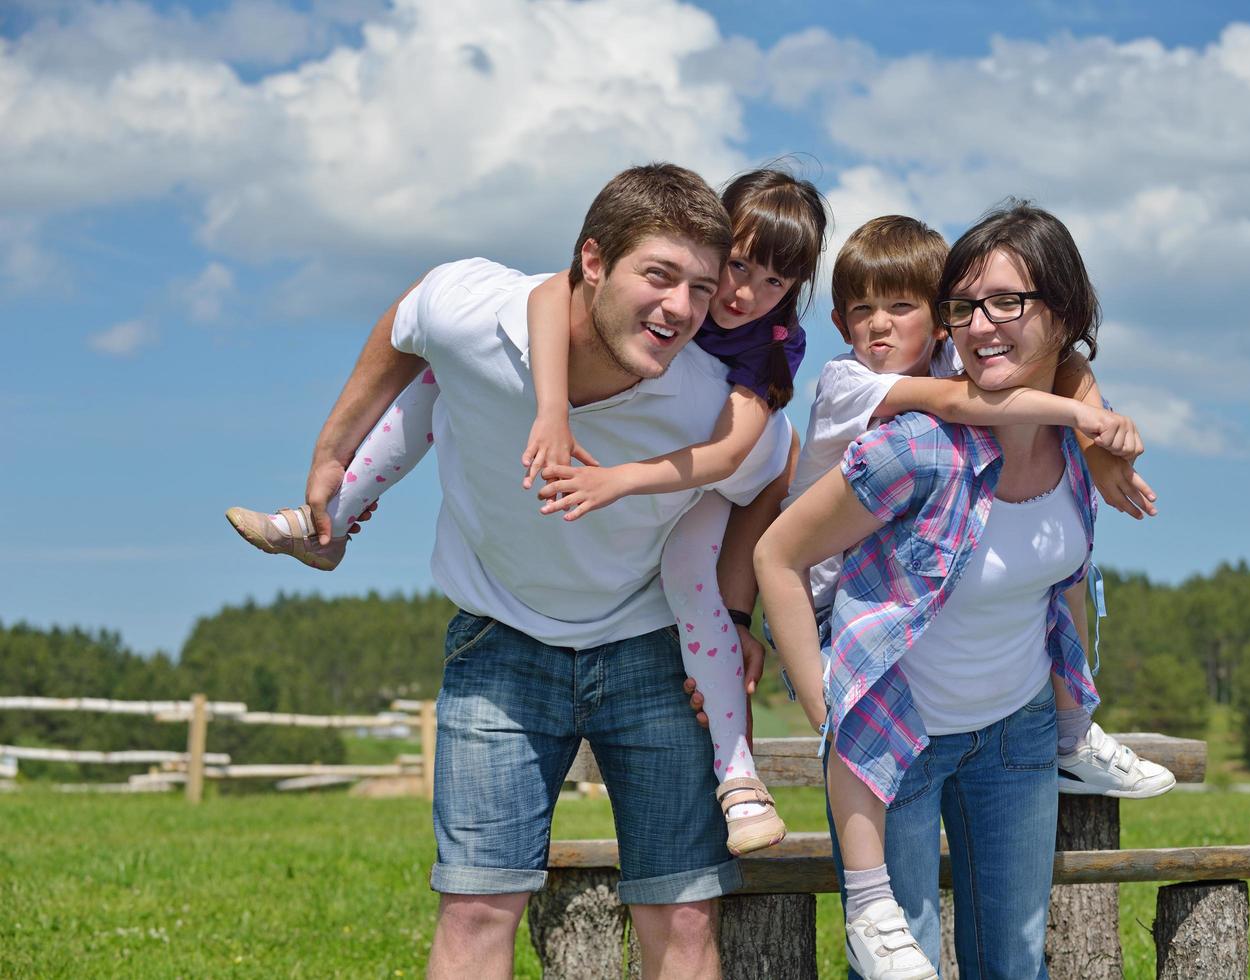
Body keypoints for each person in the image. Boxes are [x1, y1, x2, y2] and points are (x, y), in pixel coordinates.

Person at [297, 163, 791, 980]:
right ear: (593, 261)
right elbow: (408, 316)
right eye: (658, 276)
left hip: (651, 654)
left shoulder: (709, 400)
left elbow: (769, 475)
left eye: (702, 289)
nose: (680, 309)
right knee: (477, 907)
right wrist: (332, 450)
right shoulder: (481, 320)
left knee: (683, 914)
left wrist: (733, 618)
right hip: (499, 645)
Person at [756, 201, 1160, 979]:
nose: (980, 325)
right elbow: (778, 555)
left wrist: (1094, 428)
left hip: (1016, 733)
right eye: (965, 306)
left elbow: (1064, 583)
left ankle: (1079, 737)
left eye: (1005, 302)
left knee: (1011, 962)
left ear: (1062, 312)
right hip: (897, 736)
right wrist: (823, 707)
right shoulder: (908, 442)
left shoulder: (1071, 444)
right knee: (897, 961)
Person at [520, 167, 828, 854]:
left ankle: (738, 776)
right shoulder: (665, 298)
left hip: (725, 481)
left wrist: (619, 482)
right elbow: (548, 293)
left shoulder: (772, 341)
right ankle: (335, 503)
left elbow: (728, 458)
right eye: (737, 266)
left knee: (691, 583)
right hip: (685, 476)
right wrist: (548, 408)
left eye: (773, 283)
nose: (744, 294)